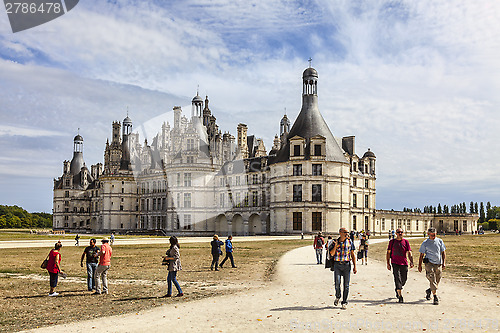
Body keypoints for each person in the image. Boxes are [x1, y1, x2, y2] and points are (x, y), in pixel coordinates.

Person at [330, 228, 357, 309]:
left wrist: (355, 266)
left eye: (347, 232)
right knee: (337, 283)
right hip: (337, 265)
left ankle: (344, 302)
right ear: (340, 233)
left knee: (346, 285)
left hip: (346, 265)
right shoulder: (334, 242)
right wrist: (335, 245)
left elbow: (352, 254)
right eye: (345, 232)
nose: (347, 234)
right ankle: (338, 296)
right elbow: (331, 254)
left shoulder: (350, 242)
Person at [418, 227, 446, 305]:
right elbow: (421, 255)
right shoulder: (425, 243)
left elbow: (443, 252)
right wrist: (419, 265)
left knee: (438, 278)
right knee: (431, 278)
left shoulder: (440, 241)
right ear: (428, 234)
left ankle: (429, 290)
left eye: (434, 235)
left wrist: (444, 263)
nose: (433, 237)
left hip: (438, 263)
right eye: (431, 235)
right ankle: (435, 296)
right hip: (429, 263)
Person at [386, 228, 414, 303]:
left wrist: (411, 261)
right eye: (398, 232)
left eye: (401, 232)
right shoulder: (392, 242)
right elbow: (388, 253)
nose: (400, 233)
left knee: (404, 279)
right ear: (396, 233)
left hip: (404, 263)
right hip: (395, 263)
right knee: (397, 278)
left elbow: (409, 252)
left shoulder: (406, 242)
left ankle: (398, 288)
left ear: (403, 233)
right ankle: (400, 296)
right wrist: (388, 263)